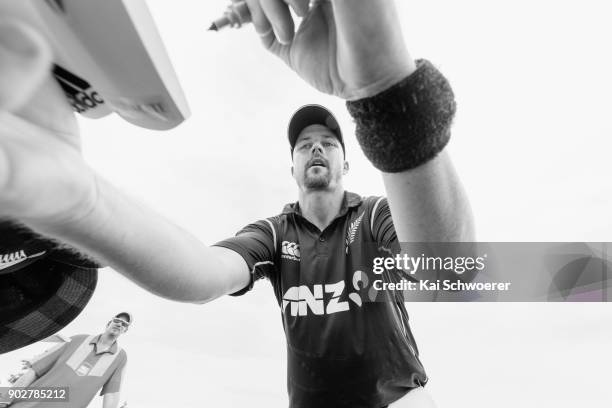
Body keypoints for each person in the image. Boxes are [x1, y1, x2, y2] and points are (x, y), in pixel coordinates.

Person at [0, 0, 474, 406]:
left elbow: (452, 271)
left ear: (346, 164)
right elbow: (201, 275)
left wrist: (383, 88)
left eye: (329, 142)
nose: (316, 147)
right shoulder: (274, 233)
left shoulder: (372, 215)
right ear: (291, 168)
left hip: (399, 399)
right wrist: (79, 201)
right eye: (304, 144)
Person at [3, 313, 131, 408]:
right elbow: (34, 370)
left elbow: (112, 394)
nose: (120, 324)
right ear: (109, 323)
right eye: (117, 320)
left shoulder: (120, 357)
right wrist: (5, 398)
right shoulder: (76, 339)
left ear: (125, 330)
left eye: (124, 324)